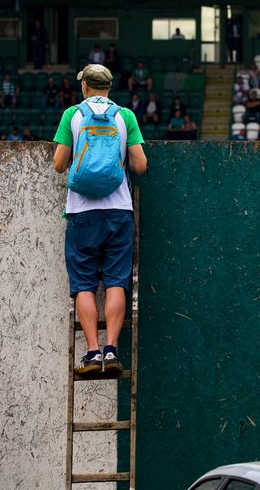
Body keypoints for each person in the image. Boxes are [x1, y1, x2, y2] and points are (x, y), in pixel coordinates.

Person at [52, 64, 147, 377]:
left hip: (81, 212)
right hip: (118, 209)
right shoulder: (125, 116)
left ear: (85, 87)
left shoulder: (72, 115)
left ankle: (92, 352)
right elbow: (140, 165)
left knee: (84, 284)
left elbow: (58, 164)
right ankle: (112, 349)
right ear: (109, 87)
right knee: (117, 281)